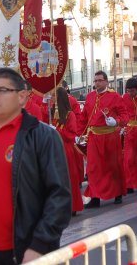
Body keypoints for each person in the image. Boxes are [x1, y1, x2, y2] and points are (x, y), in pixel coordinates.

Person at [0, 68, 71, 264]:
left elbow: (59, 197)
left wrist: (39, 245)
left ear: (21, 97)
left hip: (25, 251)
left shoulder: (42, 136)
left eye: (1, 90)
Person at [78, 70, 128, 208]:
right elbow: (84, 117)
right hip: (94, 137)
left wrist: (116, 121)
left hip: (110, 136)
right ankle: (95, 197)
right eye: (95, 81)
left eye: (100, 80)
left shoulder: (115, 97)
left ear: (106, 81)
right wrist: (78, 133)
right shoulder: (90, 97)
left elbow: (125, 116)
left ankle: (117, 192)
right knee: (93, 168)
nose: (97, 83)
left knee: (112, 166)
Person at [51, 87, 83, 216]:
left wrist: (56, 130)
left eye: (54, 96)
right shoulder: (53, 113)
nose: (52, 99)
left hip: (66, 149)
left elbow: (71, 135)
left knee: (69, 179)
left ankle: (72, 206)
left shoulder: (70, 115)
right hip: (54, 149)